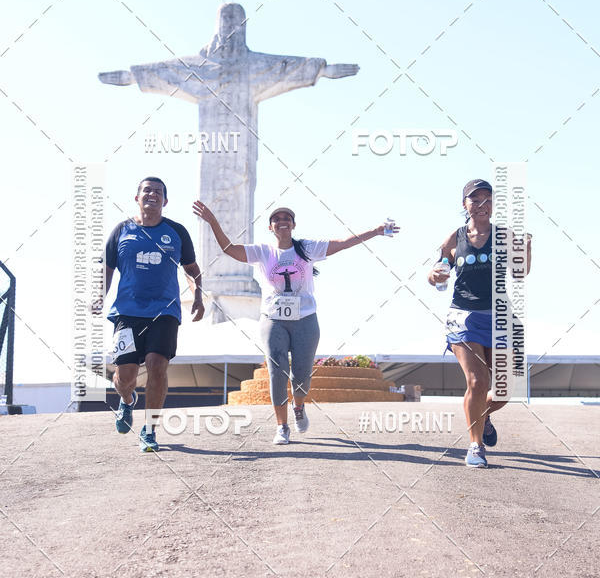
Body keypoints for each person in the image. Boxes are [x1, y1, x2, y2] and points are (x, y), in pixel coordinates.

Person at [192, 201, 398, 445]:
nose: (282, 222)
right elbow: (230, 249)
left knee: (301, 377)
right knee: (277, 373)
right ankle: (282, 426)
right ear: (270, 227)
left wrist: (375, 231)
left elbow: (343, 243)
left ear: (293, 225)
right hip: (273, 320)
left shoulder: (307, 248)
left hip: (305, 319)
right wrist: (213, 222)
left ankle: (298, 406)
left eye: (287, 218)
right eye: (277, 219)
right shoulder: (263, 252)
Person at [428, 179, 532, 468]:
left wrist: (526, 249)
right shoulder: (455, 238)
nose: (482, 204)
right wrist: (435, 276)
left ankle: (482, 415)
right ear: (465, 204)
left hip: (499, 316)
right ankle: (476, 446)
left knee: (505, 388)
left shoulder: (504, 235)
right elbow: (436, 272)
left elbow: (520, 273)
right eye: (475, 199)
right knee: (477, 380)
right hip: (464, 317)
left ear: (493, 204)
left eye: (487, 199)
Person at [100, 178, 204, 452]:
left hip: (164, 311)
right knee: (125, 376)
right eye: (147, 190)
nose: (152, 194)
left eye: (158, 192)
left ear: (165, 201)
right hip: (127, 312)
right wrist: (98, 296)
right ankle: (127, 400)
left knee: (157, 365)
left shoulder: (176, 232)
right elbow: (107, 269)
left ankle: (149, 430)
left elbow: (192, 269)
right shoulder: (121, 230)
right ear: (137, 198)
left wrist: (198, 296)